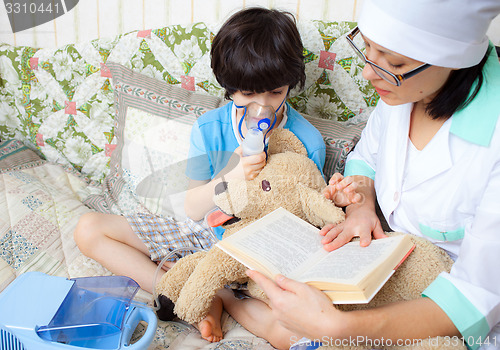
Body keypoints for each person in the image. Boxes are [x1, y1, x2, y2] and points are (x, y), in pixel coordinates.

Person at [218, 0, 500, 349]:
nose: (369, 73)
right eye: (366, 48)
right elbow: (365, 160)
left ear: (452, 60)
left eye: (394, 62)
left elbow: (475, 299)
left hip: (446, 304)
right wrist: (361, 206)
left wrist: (336, 327)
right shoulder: (403, 91)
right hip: (384, 264)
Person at [74, 6, 355, 344]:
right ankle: (183, 289)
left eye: (276, 92)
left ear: (290, 85)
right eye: (248, 93)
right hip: (203, 233)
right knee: (88, 229)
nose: (263, 105)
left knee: (289, 334)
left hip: (257, 254)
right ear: (228, 85)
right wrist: (232, 174)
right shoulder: (209, 129)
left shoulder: (306, 140)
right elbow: (193, 209)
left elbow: (304, 217)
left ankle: (220, 297)